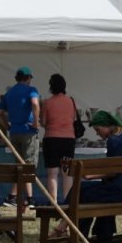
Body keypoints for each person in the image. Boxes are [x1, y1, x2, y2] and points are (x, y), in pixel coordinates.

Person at [56, 110, 122, 243]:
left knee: (81, 192)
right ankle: (102, 233)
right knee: (84, 190)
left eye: (98, 129)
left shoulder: (114, 141)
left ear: (107, 126)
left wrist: (92, 176)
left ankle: (74, 231)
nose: (97, 133)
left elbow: (112, 172)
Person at [0, 67, 41, 207]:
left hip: (14, 132)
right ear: (28, 78)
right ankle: (21, 198)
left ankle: (20, 198)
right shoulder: (32, 90)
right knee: (28, 165)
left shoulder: (10, 92)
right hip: (28, 131)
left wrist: (7, 126)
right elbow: (35, 104)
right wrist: (36, 123)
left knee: (20, 165)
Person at [38, 73, 78, 204]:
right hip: (68, 139)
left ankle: (53, 201)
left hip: (51, 138)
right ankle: (68, 200)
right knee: (67, 173)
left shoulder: (47, 102)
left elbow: (43, 122)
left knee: (52, 172)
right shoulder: (71, 101)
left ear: (51, 87)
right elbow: (74, 119)